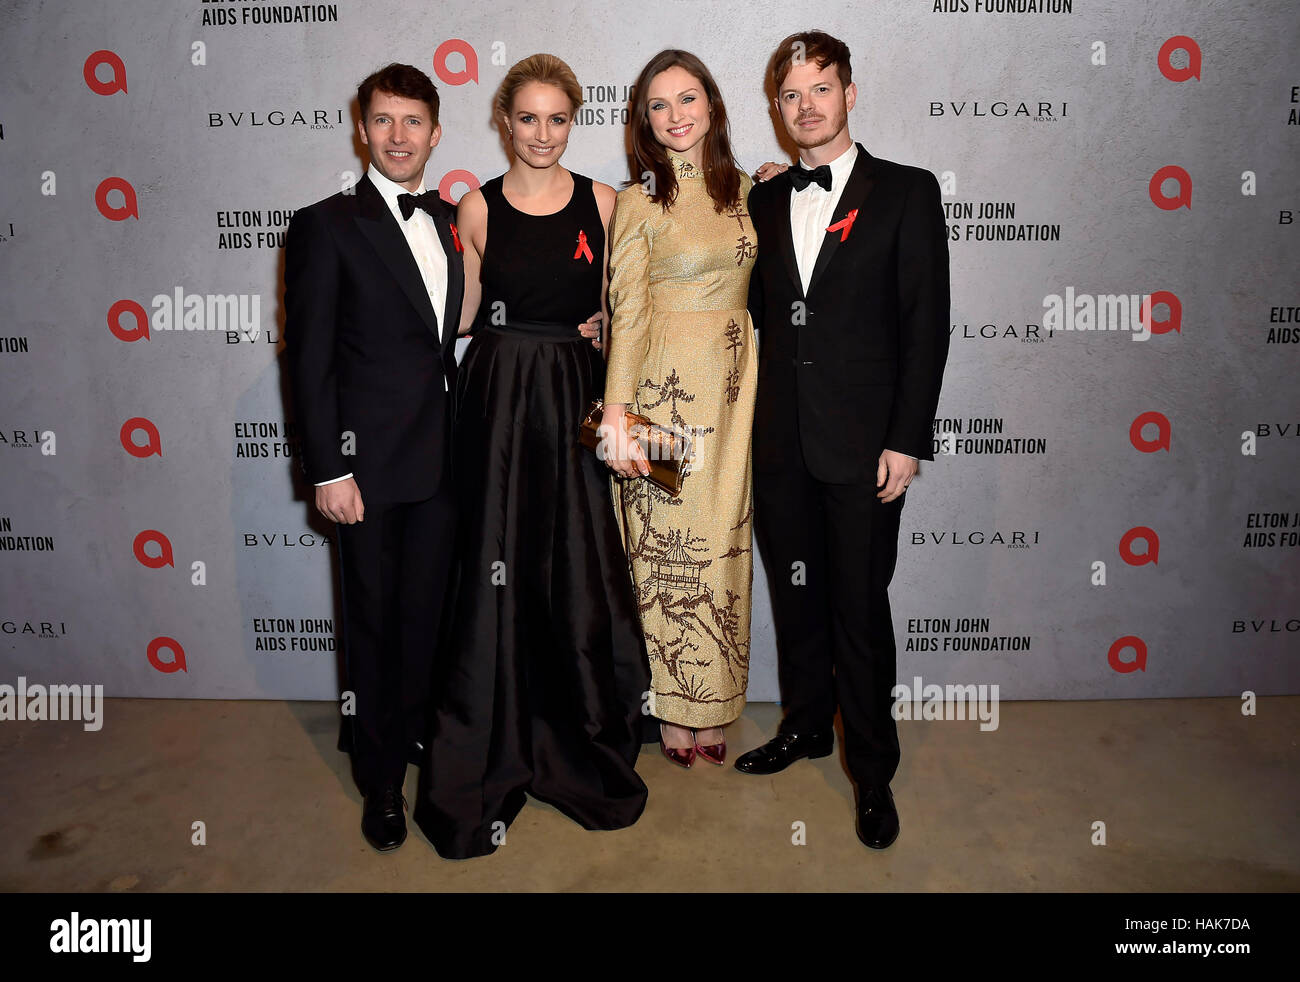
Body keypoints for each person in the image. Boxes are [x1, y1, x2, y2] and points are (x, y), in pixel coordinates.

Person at [414, 54, 649, 860]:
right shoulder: (474, 207)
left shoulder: (606, 201)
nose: (542, 134)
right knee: (494, 560)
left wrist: (609, 335)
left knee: (576, 563)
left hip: (577, 395)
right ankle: (492, 735)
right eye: (528, 119)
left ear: (571, 121)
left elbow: (632, 306)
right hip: (497, 397)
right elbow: (464, 313)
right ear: (504, 121)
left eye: (557, 119)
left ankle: (574, 735)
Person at [737, 31, 950, 850]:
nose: (806, 108)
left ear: (849, 94)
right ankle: (804, 728)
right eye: (791, 96)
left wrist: (906, 439)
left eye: (820, 90)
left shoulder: (906, 191)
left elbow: (926, 325)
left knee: (860, 610)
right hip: (781, 445)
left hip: (866, 449)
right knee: (797, 601)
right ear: (778, 107)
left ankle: (873, 770)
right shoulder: (762, 199)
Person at [284, 63, 462, 852]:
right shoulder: (326, 224)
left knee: (428, 620)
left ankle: (415, 736)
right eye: (383, 121)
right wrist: (328, 469)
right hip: (365, 471)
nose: (398, 136)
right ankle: (381, 782)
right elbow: (309, 357)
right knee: (374, 627)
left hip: (443, 466)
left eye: (412, 122)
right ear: (363, 129)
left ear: (434, 131)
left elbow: (450, 333)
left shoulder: (455, 218)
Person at [602, 49, 757, 769]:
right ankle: (669, 707)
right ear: (643, 120)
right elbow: (626, 313)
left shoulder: (753, 192)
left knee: (722, 548)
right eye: (658, 105)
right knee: (666, 558)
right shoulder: (637, 203)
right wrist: (616, 415)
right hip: (663, 399)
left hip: (736, 397)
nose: (675, 116)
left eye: (687, 99)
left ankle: (716, 700)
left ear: (713, 106)